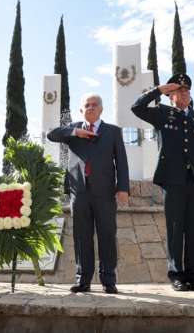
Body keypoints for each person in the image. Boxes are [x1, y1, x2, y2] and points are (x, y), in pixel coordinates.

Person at [131, 74, 194, 292]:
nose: (184, 93)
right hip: (173, 180)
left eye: (187, 90)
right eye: (179, 90)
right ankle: (177, 275)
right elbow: (136, 107)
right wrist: (158, 90)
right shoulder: (162, 114)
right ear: (171, 95)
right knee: (175, 229)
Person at [47, 93, 129, 294]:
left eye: (94, 105)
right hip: (79, 192)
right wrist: (75, 132)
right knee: (81, 236)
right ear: (81, 110)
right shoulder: (73, 131)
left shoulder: (113, 132)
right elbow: (52, 135)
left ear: (101, 109)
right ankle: (82, 279)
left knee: (107, 235)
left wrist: (123, 188)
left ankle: (108, 280)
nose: (91, 107)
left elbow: (122, 162)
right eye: (87, 105)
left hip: (105, 192)